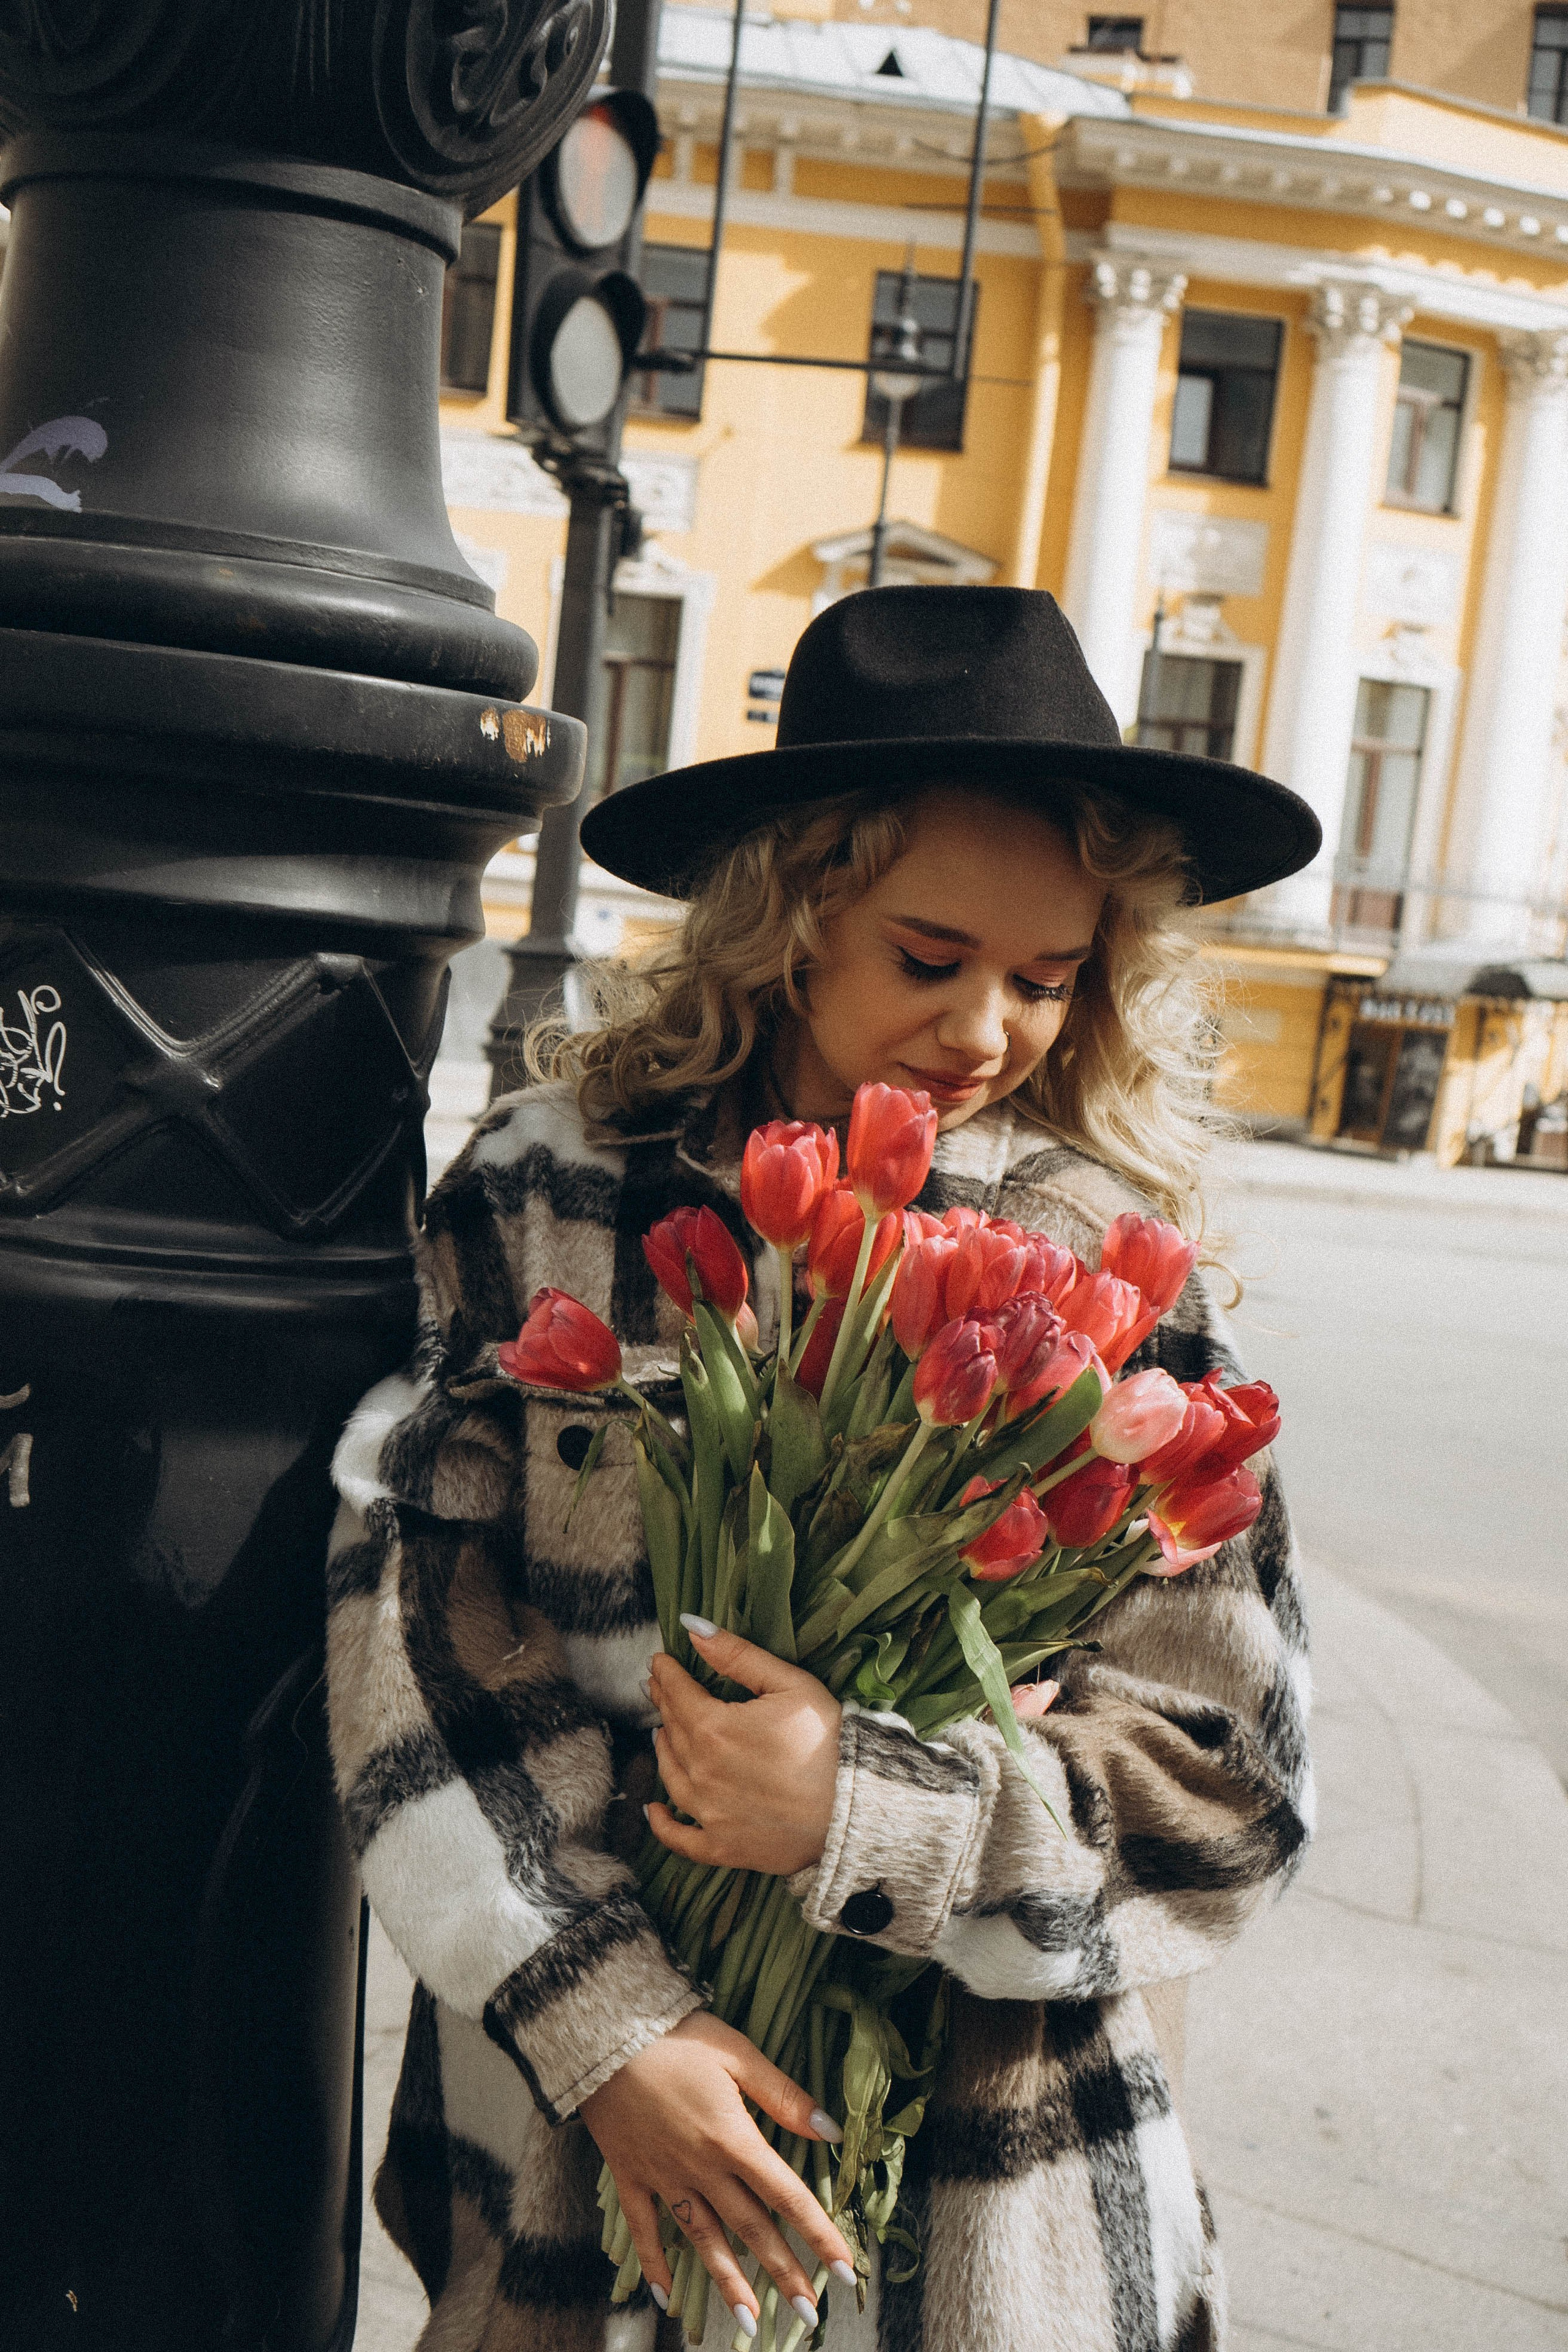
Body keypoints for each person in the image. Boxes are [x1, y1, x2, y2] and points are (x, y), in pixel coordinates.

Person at [325, 587, 1319, 2352]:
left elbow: (1230, 1786)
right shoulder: (553, 1193)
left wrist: (868, 1809)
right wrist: (611, 2029)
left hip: (988, 2202)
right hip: (585, 2143)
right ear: (788, 920)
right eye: (930, 960)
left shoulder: (1101, 1268)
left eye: (1048, 980)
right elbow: (414, 1640)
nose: (989, 1031)